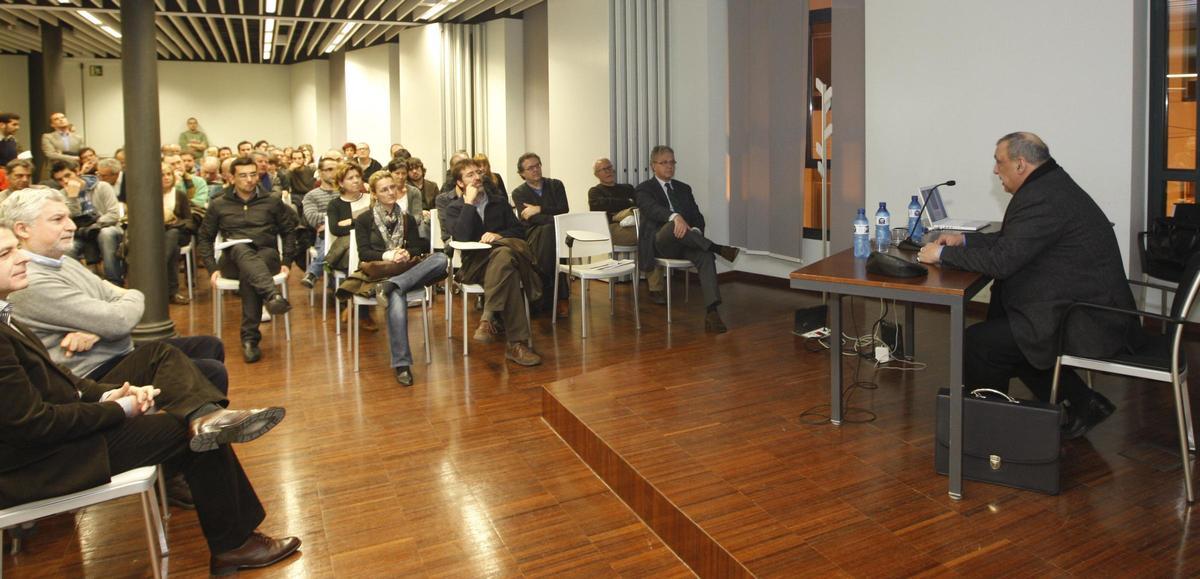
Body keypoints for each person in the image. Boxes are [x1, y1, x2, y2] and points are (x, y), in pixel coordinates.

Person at [0, 223, 301, 575]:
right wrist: (117, 408)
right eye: (6, 253)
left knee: (162, 357)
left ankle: (204, 414)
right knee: (188, 433)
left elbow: (59, 377)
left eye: (15, 248)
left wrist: (108, 393)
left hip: (55, 432)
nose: (22, 257)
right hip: (41, 462)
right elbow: (34, 425)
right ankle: (234, 544)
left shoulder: (8, 312)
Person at [917, 132, 1141, 438]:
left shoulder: (1041, 197)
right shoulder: (1050, 184)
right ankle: (1082, 401)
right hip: (1080, 298)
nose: (995, 170)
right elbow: (1014, 240)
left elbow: (1003, 261)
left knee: (983, 343)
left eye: (999, 162)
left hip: (1089, 317)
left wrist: (942, 254)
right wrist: (964, 241)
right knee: (1004, 312)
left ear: (1020, 164)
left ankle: (987, 433)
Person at [1, 187, 228, 393]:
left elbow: (112, 303)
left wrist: (96, 329)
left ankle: (194, 419)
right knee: (210, 371)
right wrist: (129, 298)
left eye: (68, 217)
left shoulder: (62, 260)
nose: (71, 226)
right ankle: (189, 422)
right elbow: (118, 320)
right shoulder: (30, 279)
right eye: (58, 219)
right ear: (23, 229)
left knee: (209, 346)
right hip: (92, 373)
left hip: (112, 351)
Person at [351, 172, 448, 385]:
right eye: (384, 189)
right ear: (374, 194)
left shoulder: (406, 218)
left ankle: (392, 285)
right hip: (380, 273)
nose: (390, 192)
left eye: (392, 187)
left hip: (405, 271)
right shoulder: (364, 219)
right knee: (396, 297)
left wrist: (405, 253)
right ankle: (402, 364)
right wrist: (389, 255)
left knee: (441, 258)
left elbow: (417, 247)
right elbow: (364, 253)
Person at [443, 159, 543, 366]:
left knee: (505, 260)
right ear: (460, 183)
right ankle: (514, 344)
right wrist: (469, 204)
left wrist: (499, 236)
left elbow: (519, 231)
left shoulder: (499, 202)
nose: (477, 177)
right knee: (507, 261)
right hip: (474, 266)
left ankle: (490, 322)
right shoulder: (454, 208)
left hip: (502, 265)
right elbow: (460, 238)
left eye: (478, 172)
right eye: (470, 175)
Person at [198, 157, 297, 363]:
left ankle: (250, 340)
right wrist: (212, 267)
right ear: (231, 178)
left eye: (253, 174)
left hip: (267, 255)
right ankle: (271, 295)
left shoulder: (272, 201)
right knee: (240, 248)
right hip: (232, 260)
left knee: (250, 271)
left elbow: (289, 231)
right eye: (243, 176)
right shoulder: (219, 204)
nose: (249, 180)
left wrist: (287, 261)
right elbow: (205, 238)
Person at [636, 145, 739, 333]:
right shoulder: (644, 189)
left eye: (672, 162)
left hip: (685, 243)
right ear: (653, 166)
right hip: (660, 243)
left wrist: (696, 231)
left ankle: (712, 312)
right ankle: (717, 248)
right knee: (672, 225)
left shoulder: (684, 188)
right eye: (664, 162)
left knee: (705, 256)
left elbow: (697, 216)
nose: (669, 166)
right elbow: (652, 209)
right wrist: (675, 217)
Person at [510, 152, 570, 316]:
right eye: (530, 168)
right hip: (533, 233)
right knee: (550, 234)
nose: (536, 170)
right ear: (522, 173)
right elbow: (531, 219)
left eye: (537, 165)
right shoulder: (519, 193)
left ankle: (540, 294)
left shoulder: (556, 185)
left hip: (556, 232)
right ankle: (560, 297)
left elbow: (564, 209)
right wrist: (552, 216)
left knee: (551, 236)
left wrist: (539, 208)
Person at [51, 160, 124, 286]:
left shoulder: (102, 186)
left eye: (68, 175)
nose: (65, 181)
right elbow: (69, 217)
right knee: (68, 247)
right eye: (60, 180)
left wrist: (95, 224)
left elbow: (113, 214)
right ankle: (81, 285)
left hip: (105, 227)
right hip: (80, 233)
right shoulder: (61, 196)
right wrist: (72, 197)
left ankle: (114, 281)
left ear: (77, 172)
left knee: (106, 234)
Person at [326, 163, 374, 328]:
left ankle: (351, 302)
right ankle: (362, 312)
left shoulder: (370, 199)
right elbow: (336, 229)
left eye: (358, 177)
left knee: (364, 256)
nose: (356, 181)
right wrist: (361, 224)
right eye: (350, 178)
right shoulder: (335, 204)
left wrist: (353, 222)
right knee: (355, 256)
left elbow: (375, 224)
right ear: (341, 183)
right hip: (347, 252)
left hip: (369, 247)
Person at [299, 157, 340, 289]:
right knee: (329, 241)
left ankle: (313, 273)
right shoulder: (311, 196)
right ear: (321, 172)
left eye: (337, 169)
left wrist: (328, 222)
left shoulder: (345, 192)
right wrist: (337, 219)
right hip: (323, 237)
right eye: (329, 169)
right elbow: (312, 218)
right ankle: (334, 282)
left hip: (345, 233)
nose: (334, 173)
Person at [159, 162, 195, 304]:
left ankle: (157, 271)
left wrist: (174, 222)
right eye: (162, 175)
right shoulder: (150, 195)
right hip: (158, 235)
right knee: (173, 249)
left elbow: (189, 221)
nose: (166, 177)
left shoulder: (180, 195)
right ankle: (172, 292)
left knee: (173, 234)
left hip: (179, 232)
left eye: (169, 174)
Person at [588, 157, 639, 246]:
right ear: (596, 174)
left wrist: (614, 206)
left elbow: (639, 202)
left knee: (650, 230)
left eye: (609, 167)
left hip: (634, 223)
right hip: (611, 227)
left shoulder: (627, 188)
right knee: (645, 234)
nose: (608, 171)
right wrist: (628, 201)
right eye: (604, 169)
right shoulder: (595, 191)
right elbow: (600, 206)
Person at [387, 157, 429, 245]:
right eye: (397, 173)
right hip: (388, 229)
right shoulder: (385, 191)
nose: (401, 177)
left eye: (404, 173)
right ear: (390, 174)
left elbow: (417, 217)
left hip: (409, 231)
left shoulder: (414, 192)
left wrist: (402, 226)